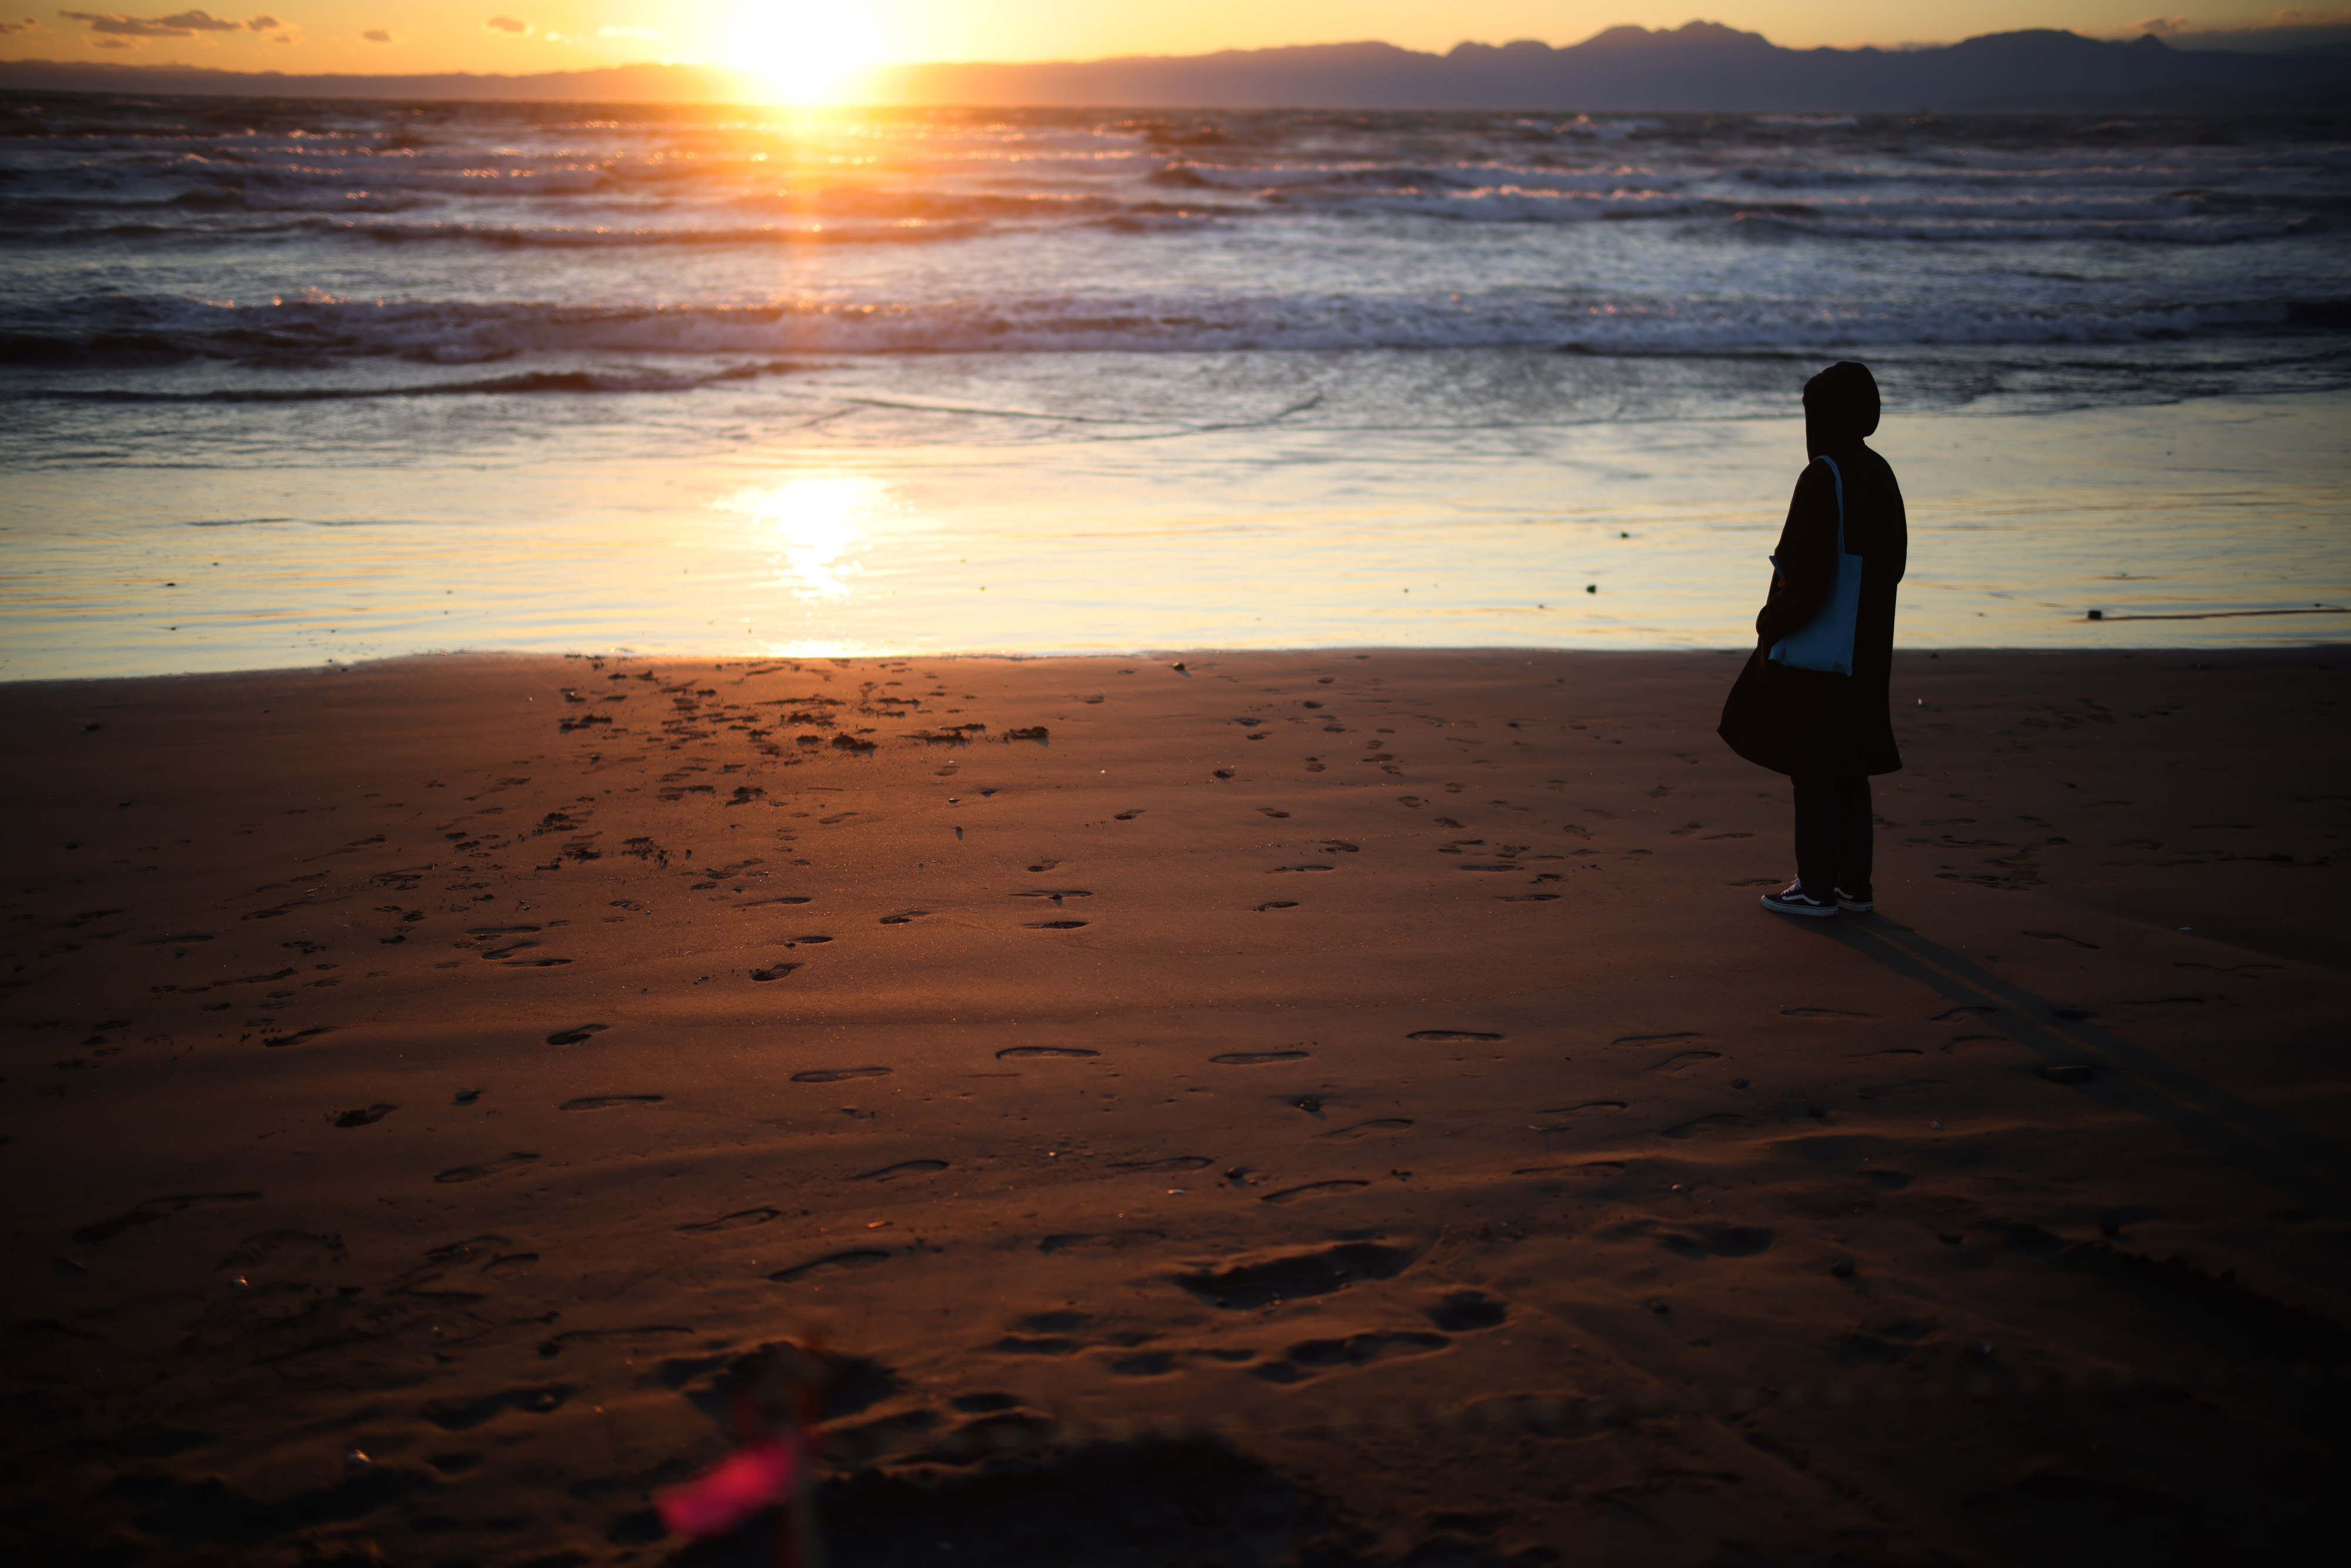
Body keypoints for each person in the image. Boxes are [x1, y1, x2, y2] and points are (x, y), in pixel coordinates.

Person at [1717, 361, 1907, 917]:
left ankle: (1816, 887)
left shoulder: (1823, 475)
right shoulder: (1880, 471)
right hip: (1868, 643)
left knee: (1813, 764)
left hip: (1820, 648)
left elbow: (1803, 574)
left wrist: (1769, 622)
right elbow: (1895, 563)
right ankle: (1854, 886)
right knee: (1850, 763)